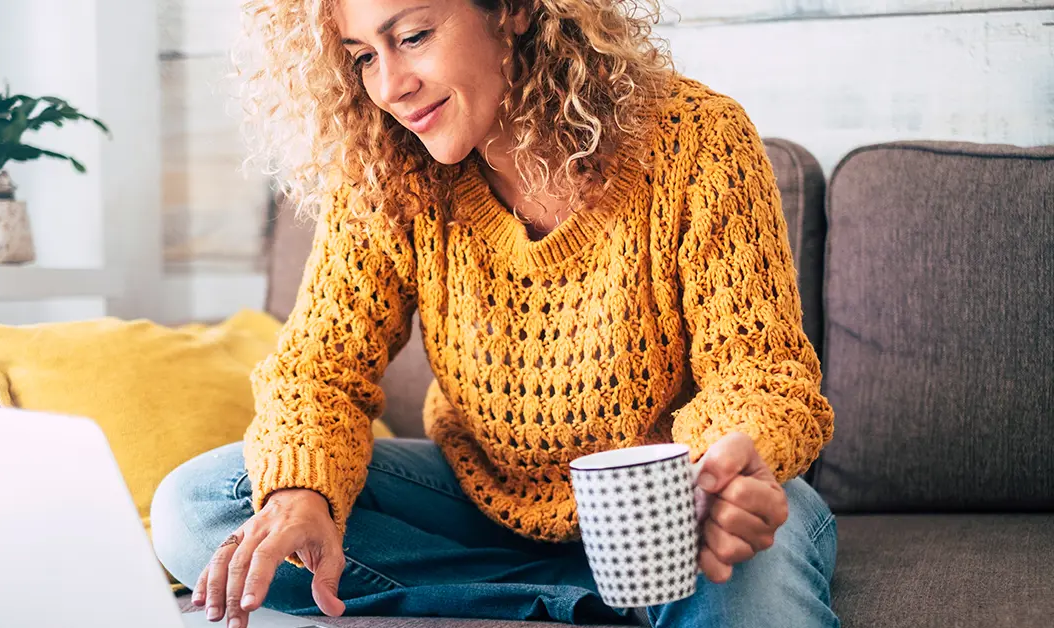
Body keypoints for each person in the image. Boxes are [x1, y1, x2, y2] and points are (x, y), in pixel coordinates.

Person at [150, 0, 838, 626]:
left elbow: (760, 373)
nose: (390, 85)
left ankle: (623, 586)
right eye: (364, 56)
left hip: (668, 511)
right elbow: (318, 369)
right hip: (482, 506)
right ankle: (588, 599)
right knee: (200, 506)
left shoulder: (698, 141)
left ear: (511, 10)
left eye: (413, 36)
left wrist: (717, 474)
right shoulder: (390, 171)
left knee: (756, 555)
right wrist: (302, 492)